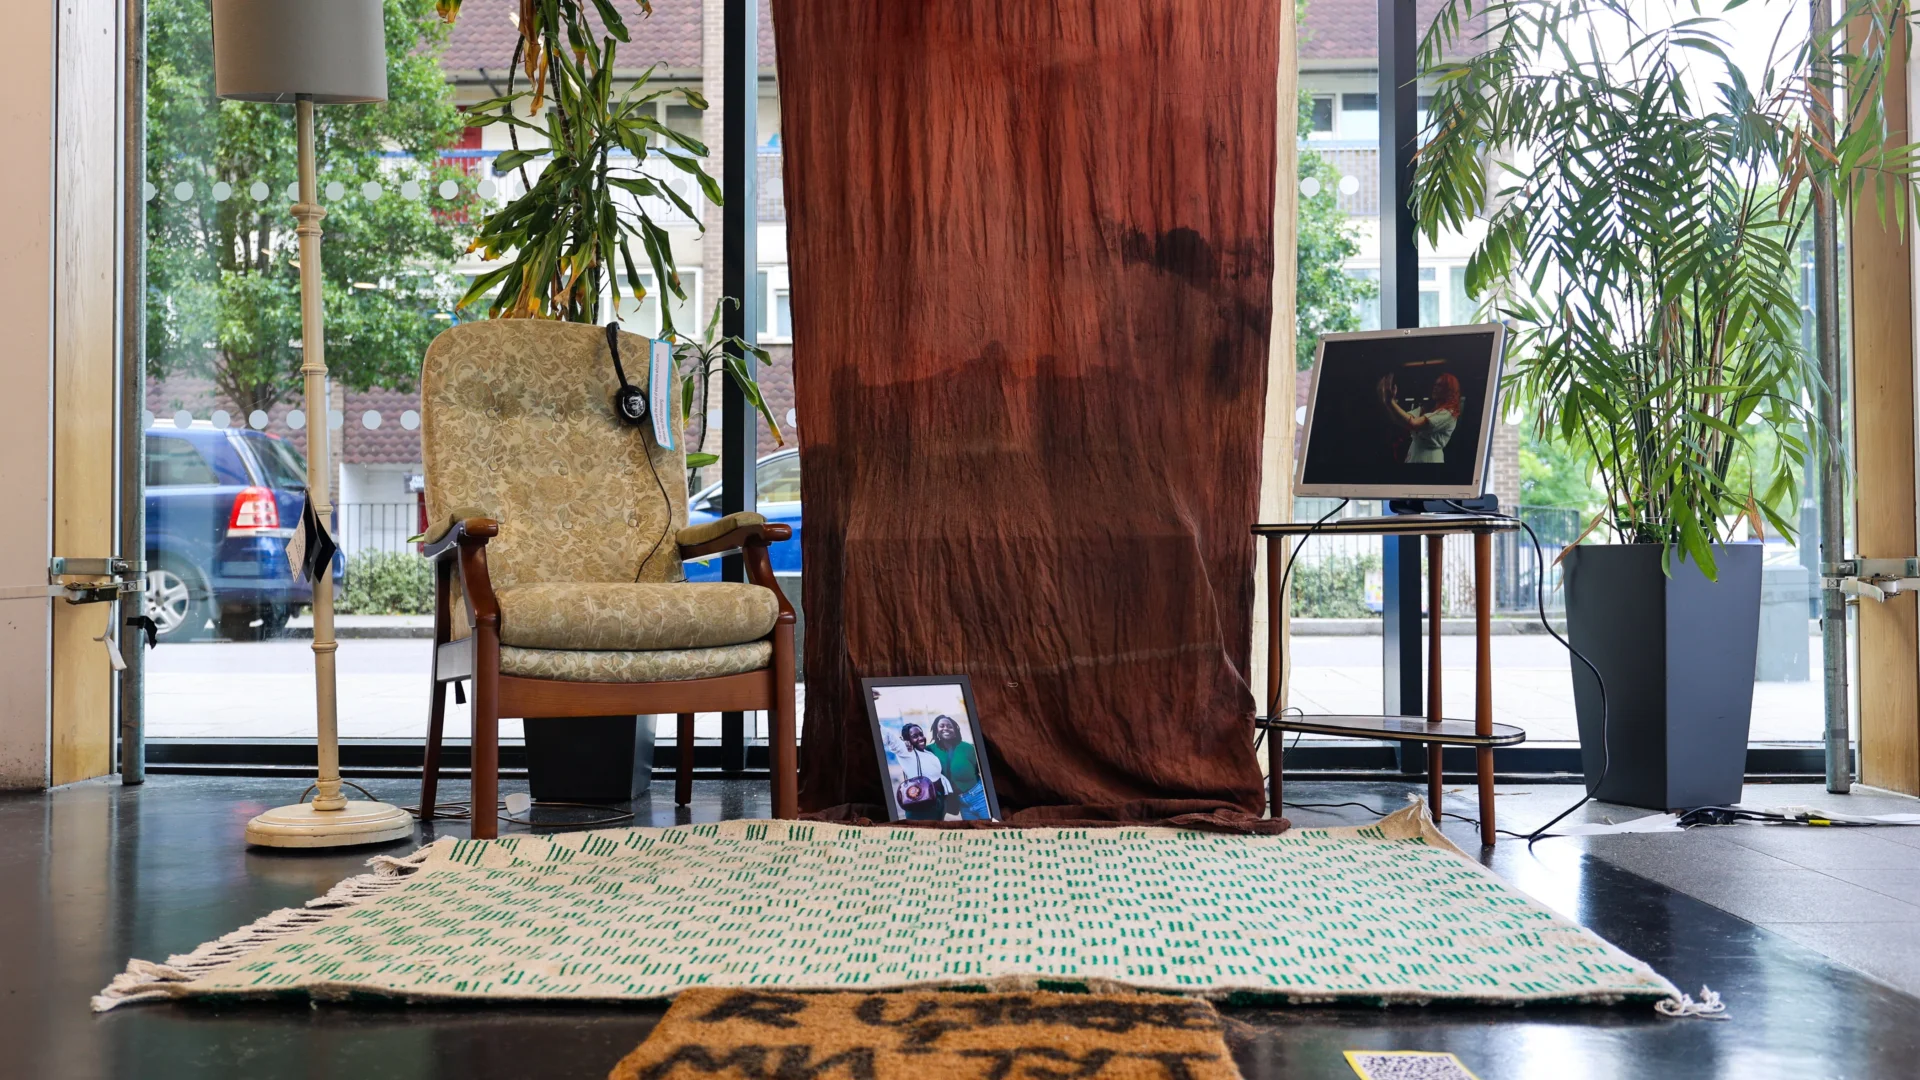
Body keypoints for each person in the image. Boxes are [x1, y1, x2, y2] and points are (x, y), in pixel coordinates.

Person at [1377, 371, 1462, 464]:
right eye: (1435, 384)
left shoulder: (1448, 413)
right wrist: (1386, 402)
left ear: (1449, 390)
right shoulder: (1428, 407)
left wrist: (1390, 402)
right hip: (1414, 454)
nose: (1435, 387)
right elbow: (1400, 419)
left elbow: (1414, 424)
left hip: (1429, 458)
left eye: (1440, 385)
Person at [929, 714, 990, 820]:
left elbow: (981, 770)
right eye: (942, 726)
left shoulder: (967, 748)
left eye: (949, 726)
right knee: (975, 834)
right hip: (961, 803)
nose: (946, 728)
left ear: (955, 730)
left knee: (994, 828)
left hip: (979, 797)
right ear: (936, 730)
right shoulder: (930, 750)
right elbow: (913, 752)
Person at [887, 723, 950, 821]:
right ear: (907, 740)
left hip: (937, 803)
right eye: (915, 736)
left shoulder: (926, 752)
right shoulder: (907, 752)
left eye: (921, 734)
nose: (920, 738)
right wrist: (902, 743)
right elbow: (892, 740)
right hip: (921, 805)